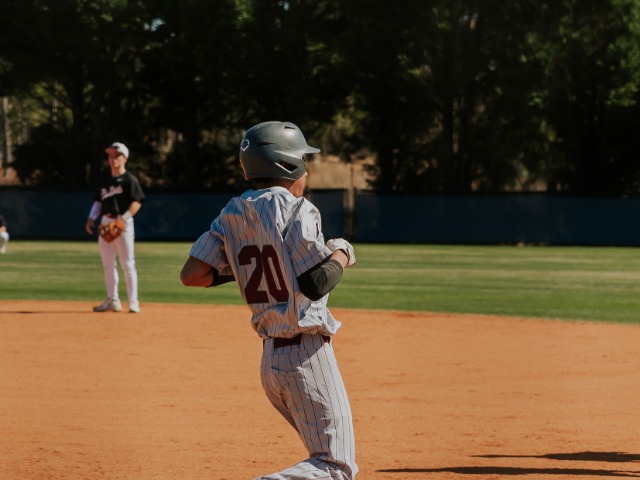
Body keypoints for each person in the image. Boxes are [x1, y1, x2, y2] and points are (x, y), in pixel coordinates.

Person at [180, 121, 358, 479]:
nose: (307, 169)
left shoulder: (231, 212)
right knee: (334, 466)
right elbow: (315, 283)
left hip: (271, 363)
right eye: (304, 161)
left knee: (320, 458)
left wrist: (248, 269)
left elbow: (193, 275)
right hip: (307, 357)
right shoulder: (298, 208)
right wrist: (342, 252)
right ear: (287, 164)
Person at [85, 142, 145, 313]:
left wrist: (123, 219)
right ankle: (113, 300)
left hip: (122, 223)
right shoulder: (104, 179)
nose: (113, 159)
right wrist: (91, 218)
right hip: (106, 221)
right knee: (108, 264)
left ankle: (133, 302)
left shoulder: (129, 179)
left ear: (125, 158)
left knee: (128, 263)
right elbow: (98, 201)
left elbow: (136, 202)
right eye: (111, 155)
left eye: (117, 155)